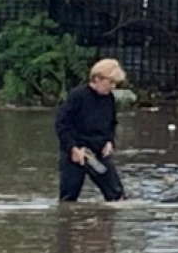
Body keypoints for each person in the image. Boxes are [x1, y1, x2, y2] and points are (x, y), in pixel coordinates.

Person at [55, 58, 128, 202]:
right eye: (110, 82)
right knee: (69, 198)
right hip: (76, 152)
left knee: (117, 195)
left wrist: (109, 141)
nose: (113, 87)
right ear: (97, 78)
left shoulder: (109, 99)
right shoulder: (77, 96)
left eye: (115, 83)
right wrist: (72, 148)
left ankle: (108, 222)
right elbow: (62, 124)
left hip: (99, 152)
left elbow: (111, 123)